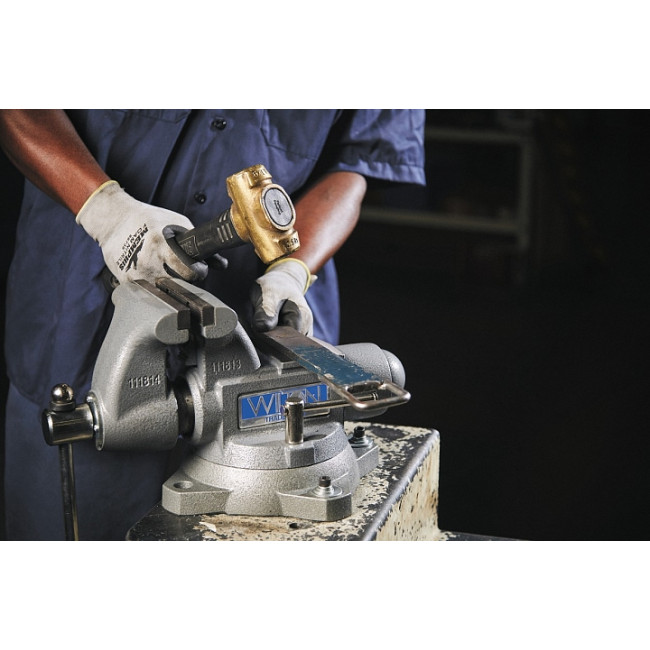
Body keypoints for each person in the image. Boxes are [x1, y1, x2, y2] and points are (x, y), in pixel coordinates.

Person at [0, 109, 425, 540]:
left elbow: (354, 166)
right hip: (79, 315)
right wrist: (106, 212)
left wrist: (293, 270)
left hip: (262, 330)